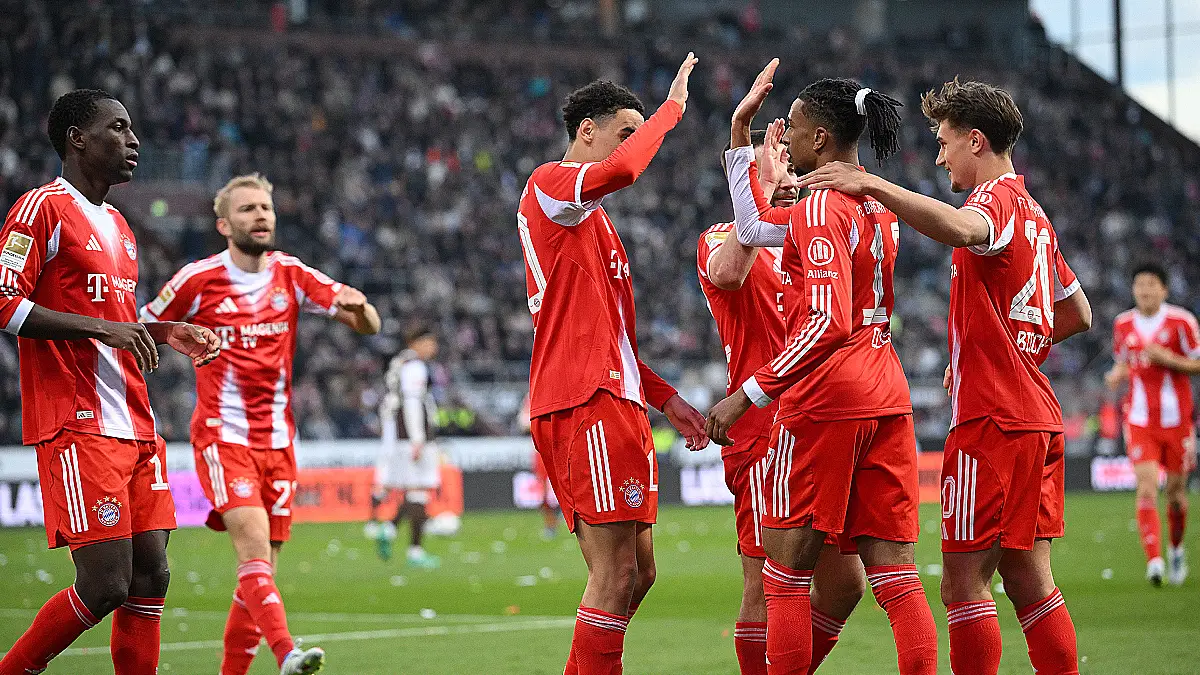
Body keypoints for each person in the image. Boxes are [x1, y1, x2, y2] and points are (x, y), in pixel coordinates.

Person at [798, 78, 1093, 675]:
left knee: (962, 584)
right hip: (1034, 410)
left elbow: (962, 230)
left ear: (976, 142)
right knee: (1030, 578)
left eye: (944, 142)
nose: (938, 156)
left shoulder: (997, 204)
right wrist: (1019, 341)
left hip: (993, 418)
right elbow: (1078, 312)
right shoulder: (1037, 215)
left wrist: (872, 182)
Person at [706, 60, 938, 675]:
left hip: (825, 399)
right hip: (887, 388)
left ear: (819, 141)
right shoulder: (879, 209)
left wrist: (746, 395)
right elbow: (753, 232)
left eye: (794, 130)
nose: (783, 138)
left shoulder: (818, 208)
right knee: (896, 576)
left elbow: (825, 324)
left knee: (783, 575)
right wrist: (743, 146)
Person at [0, 89, 221, 675]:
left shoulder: (120, 227)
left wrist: (164, 328)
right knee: (104, 585)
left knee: (152, 575)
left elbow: (116, 326)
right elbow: (4, 304)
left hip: (134, 422)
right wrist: (108, 328)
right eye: (118, 129)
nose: (134, 141)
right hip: (78, 423)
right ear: (77, 138)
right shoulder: (40, 208)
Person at [139, 172, 381, 675]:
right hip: (223, 437)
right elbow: (142, 327)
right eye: (248, 209)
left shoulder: (291, 275)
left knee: (260, 572)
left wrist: (361, 312)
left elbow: (368, 322)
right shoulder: (197, 278)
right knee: (252, 552)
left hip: (279, 441)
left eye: (266, 208)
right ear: (224, 224)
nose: (261, 216)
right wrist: (174, 336)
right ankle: (286, 652)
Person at [517, 53, 709, 673]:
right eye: (624, 129)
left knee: (641, 572)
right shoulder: (550, 188)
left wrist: (668, 398)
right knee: (615, 571)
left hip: (618, 396)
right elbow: (626, 168)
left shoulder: (596, 222)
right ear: (586, 132)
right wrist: (670, 110)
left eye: (638, 129)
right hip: (581, 399)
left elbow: (618, 338)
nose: (633, 142)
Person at [698, 123, 865, 674]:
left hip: (821, 421)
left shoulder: (811, 233)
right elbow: (726, 273)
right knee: (765, 583)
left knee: (844, 585)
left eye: (795, 165)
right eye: (780, 164)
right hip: (758, 432)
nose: (791, 174)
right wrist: (758, 193)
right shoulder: (723, 237)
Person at [1105, 262, 1198, 586]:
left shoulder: (1181, 322)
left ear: (1164, 289)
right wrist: (1118, 374)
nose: (1144, 290)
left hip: (1177, 421)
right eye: (1139, 284)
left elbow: (1197, 362)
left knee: (1175, 494)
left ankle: (1175, 549)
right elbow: (1125, 361)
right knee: (1146, 487)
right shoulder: (1123, 324)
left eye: (1151, 284)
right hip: (1140, 419)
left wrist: (1169, 359)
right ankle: (1154, 560)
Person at [366, 324, 444, 567]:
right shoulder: (414, 366)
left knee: (413, 490)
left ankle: (388, 530)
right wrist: (418, 438)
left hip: (399, 433)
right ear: (417, 343)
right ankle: (416, 551)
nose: (434, 348)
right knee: (419, 491)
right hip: (411, 434)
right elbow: (411, 403)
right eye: (430, 342)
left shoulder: (401, 363)